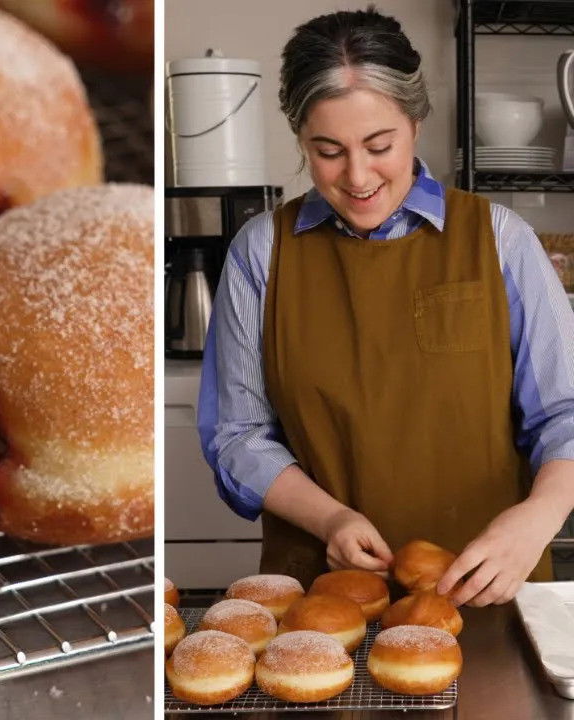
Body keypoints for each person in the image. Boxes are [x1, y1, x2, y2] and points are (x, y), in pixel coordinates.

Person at [198, 7, 574, 607]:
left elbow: (566, 412)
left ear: (416, 122)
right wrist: (331, 520)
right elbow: (237, 434)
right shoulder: (262, 251)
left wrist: (537, 518)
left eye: (379, 145)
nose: (358, 175)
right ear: (300, 137)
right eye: (328, 150)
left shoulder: (499, 239)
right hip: (319, 602)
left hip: (488, 591)